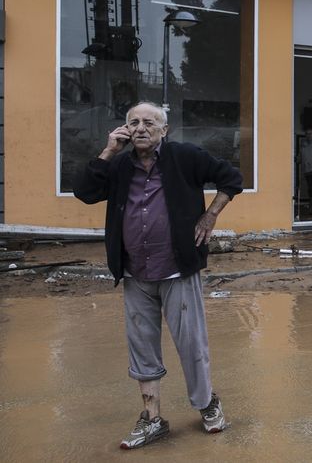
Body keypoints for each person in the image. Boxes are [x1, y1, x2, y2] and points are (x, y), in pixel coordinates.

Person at [72, 101, 242, 449]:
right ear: (124, 129)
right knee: (141, 347)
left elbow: (232, 178)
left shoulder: (183, 156)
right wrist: (107, 150)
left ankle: (207, 404)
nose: (141, 128)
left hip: (177, 268)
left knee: (191, 342)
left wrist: (210, 215)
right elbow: (85, 192)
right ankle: (152, 419)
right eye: (133, 122)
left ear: (164, 130)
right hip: (135, 272)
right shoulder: (119, 164)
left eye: (149, 122)